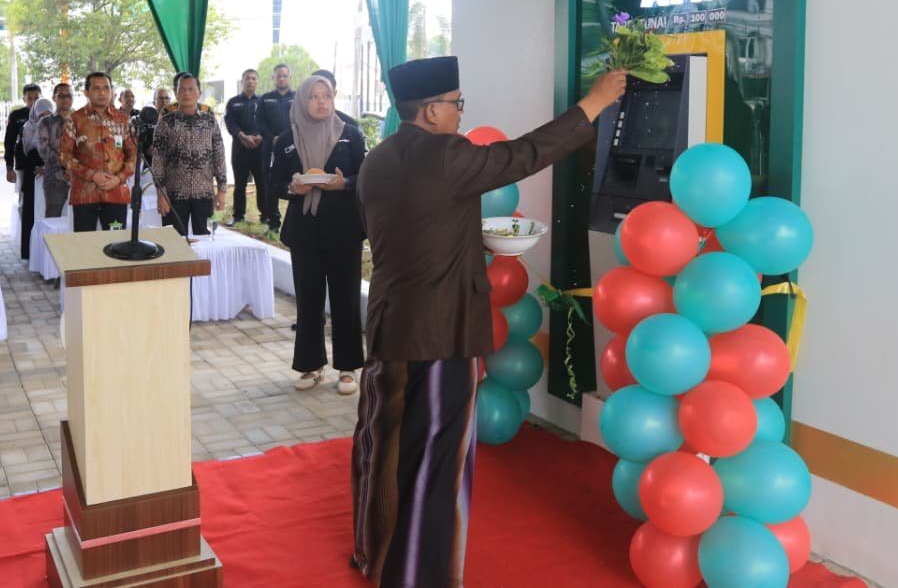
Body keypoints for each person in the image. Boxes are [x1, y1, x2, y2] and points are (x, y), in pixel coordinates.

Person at [350, 56, 628, 587]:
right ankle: (417, 573)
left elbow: (403, 230)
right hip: (440, 333)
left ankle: (373, 552)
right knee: (436, 458)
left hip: (389, 322)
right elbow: (524, 154)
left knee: (383, 442)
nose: (460, 113)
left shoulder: (378, 159)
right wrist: (593, 103)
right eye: (456, 104)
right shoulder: (447, 154)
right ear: (431, 111)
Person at [272, 75, 366, 395]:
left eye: (326, 95)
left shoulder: (350, 134)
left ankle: (348, 367)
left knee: (346, 299)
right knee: (309, 301)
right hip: (305, 232)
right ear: (302, 100)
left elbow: (365, 177)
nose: (322, 102)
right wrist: (292, 187)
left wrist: (345, 183)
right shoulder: (286, 139)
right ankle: (311, 365)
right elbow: (274, 184)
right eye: (314, 96)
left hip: (344, 230)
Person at [151, 73, 226, 236]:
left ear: (199, 93)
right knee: (174, 242)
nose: (186, 93)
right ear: (176, 93)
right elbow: (157, 160)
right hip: (174, 195)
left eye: (191, 89)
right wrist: (161, 194)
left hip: (204, 193)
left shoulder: (209, 121)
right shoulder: (166, 122)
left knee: (206, 241)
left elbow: (219, 155)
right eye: (182, 89)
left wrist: (222, 190)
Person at [60, 71, 136, 232]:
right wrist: (92, 175)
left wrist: (119, 178)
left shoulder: (123, 120)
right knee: (86, 243)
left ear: (112, 92)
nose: (102, 93)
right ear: (86, 92)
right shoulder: (75, 119)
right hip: (85, 194)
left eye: (106, 88)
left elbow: (134, 156)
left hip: (116, 193)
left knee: (116, 242)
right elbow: (65, 156)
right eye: (96, 88)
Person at [5, 83, 42, 257]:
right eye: (30, 98)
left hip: (46, 171)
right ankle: (27, 249)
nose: (33, 102)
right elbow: (9, 141)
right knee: (25, 206)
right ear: (24, 99)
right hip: (24, 169)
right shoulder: (17, 116)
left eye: (37, 98)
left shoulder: (48, 115)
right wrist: (9, 166)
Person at [222, 68, 263, 226]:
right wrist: (242, 136)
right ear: (242, 81)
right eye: (247, 78)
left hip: (260, 149)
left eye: (253, 78)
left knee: (262, 184)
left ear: (257, 82)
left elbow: (267, 122)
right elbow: (230, 122)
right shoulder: (233, 102)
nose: (250, 81)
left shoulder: (263, 101)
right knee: (240, 184)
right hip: (240, 149)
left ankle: (265, 215)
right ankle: (238, 216)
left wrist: (261, 136)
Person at [258, 63, 295, 232]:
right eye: (279, 76)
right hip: (270, 147)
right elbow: (259, 122)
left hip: (293, 148)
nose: (282, 79)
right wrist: (272, 138)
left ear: (290, 78)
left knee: (294, 182)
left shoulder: (298, 98)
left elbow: (302, 120)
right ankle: (273, 222)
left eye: (285, 76)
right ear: (273, 78)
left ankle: (294, 222)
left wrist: (287, 139)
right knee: (271, 183)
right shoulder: (265, 99)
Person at [38, 83, 73, 218]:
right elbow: (44, 150)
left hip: (79, 179)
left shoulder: (80, 120)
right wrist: (66, 165)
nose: (66, 99)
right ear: (54, 98)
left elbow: (86, 148)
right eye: (61, 96)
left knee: (79, 220)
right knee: (53, 218)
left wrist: (74, 168)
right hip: (55, 178)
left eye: (69, 96)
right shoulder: (46, 122)